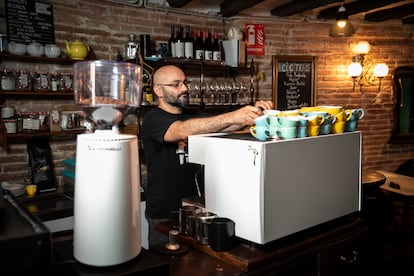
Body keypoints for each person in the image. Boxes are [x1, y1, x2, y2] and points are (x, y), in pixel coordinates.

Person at [141, 65, 273, 247]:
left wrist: (253, 114)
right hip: (166, 213)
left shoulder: (194, 115)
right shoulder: (152, 118)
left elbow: (223, 126)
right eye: (176, 84)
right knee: (167, 266)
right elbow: (179, 131)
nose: (185, 88)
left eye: (185, 83)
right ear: (158, 90)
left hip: (198, 208)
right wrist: (234, 116)